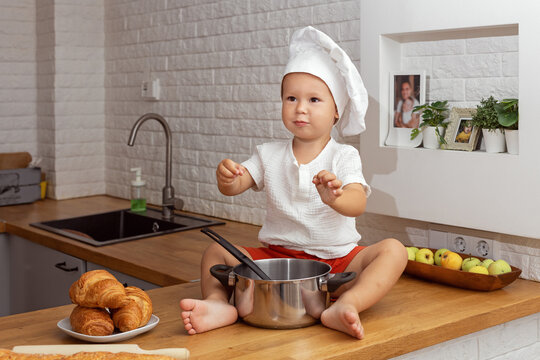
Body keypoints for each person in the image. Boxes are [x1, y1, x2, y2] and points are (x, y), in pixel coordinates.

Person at [180, 26, 408, 340]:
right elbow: (234, 185)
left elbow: (358, 202)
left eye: (314, 99)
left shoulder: (343, 156)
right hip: (276, 261)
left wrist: (335, 198)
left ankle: (346, 304)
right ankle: (219, 304)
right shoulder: (268, 154)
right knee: (214, 253)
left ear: (336, 112)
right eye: (291, 98)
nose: (300, 107)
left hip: (337, 260)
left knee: (394, 251)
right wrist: (228, 177)